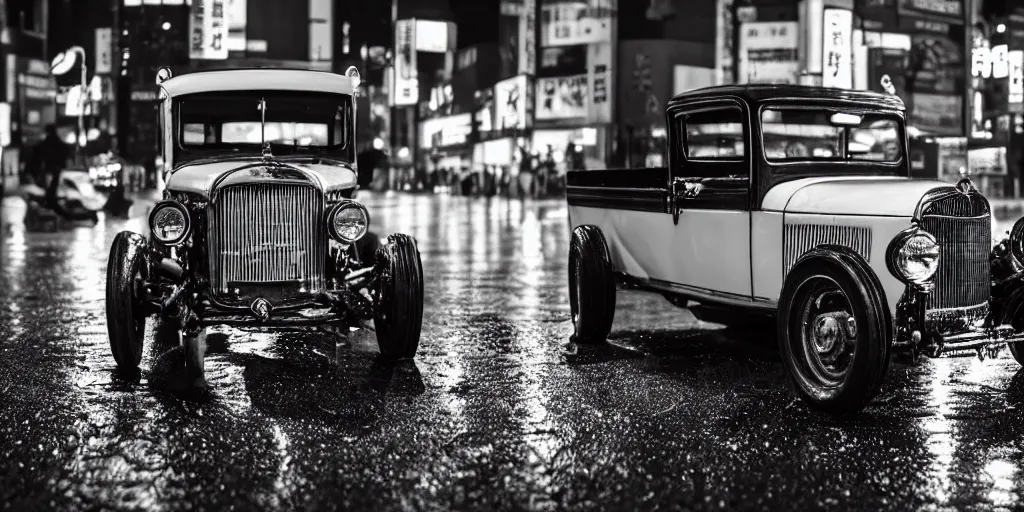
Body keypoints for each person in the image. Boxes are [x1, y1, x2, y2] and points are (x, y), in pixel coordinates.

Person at [28, 125, 71, 210]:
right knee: (56, 191)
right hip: (59, 172)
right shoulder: (61, 145)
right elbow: (67, 158)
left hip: (48, 171)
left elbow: (38, 160)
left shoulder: (43, 145)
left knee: (49, 191)